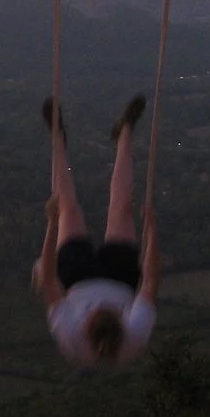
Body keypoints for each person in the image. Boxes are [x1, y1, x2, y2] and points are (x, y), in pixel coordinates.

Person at [33, 93, 159, 367]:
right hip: (120, 280)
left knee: (67, 208)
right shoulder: (135, 334)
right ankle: (124, 131)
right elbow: (149, 282)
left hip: (77, 280)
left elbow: (50, 283)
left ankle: (57, 139)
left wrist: (52, 223)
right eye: (107, 309)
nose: (99, 305)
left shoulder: (70, 336)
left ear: (85, 323)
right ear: (120, 319)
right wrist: (151, 234)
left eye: (92, 312)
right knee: (122, 207)